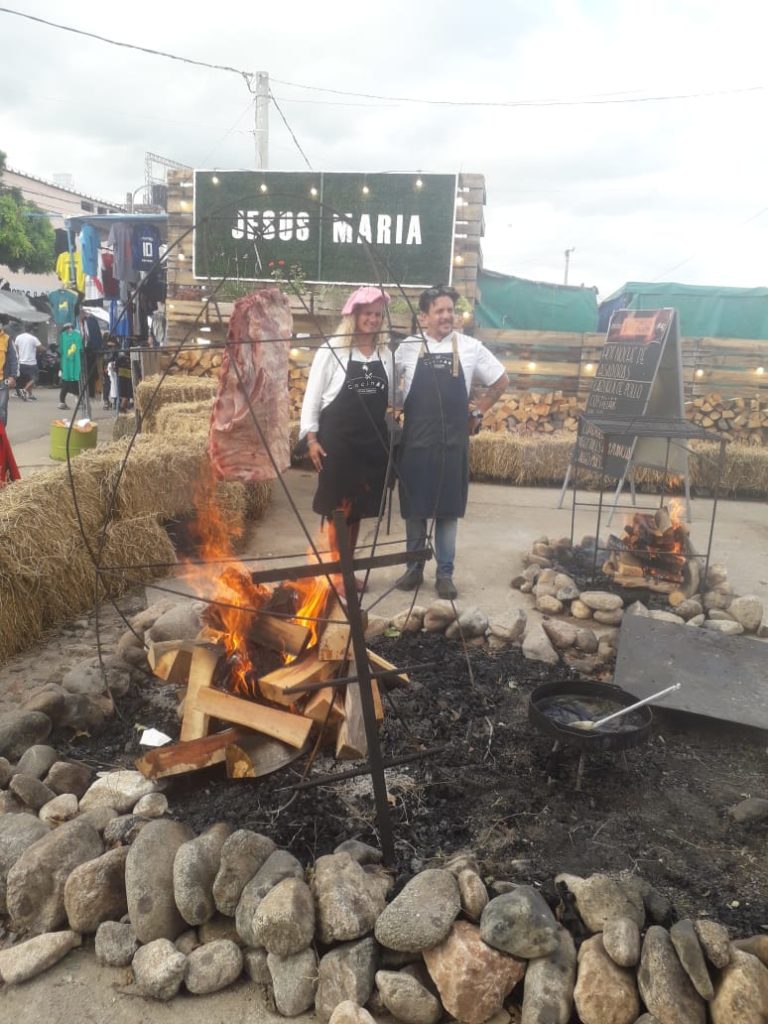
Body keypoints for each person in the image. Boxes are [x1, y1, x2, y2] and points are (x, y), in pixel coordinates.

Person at [394, 285, 509, 599]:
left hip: (452, 444)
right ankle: (413, 568)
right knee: (415, 510)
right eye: (440, 311)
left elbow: (501, 381)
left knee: (447, 511)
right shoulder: (407, 348)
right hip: (415, 443)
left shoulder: (470, 347)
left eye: (450, 310)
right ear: (424, 317)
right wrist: (391, 408)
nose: (447, 316)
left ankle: (445, 574)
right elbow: (390, 387)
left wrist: (479, 411)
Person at [299, 285, 393, 592]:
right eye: (368, 313)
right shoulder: (332, 351)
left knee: (358, 509)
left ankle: (346, 569)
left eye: (378, 314)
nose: (373, 319)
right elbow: (312, 398)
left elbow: (392, 398)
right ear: (354, 315)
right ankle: (337, 574)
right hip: (338, 443)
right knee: (337, 511)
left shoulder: (385, 354)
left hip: (370, 445)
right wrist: (311, 439)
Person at [58, 323, 83, 411]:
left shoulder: (63, 337)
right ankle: (76, 402)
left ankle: (63, 402)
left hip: (66, 363)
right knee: (70, 383)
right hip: (71, 364)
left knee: (68, 384)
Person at [13, 325, 43, 400]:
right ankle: (24, 390)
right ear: (31, 330)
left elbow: (16, 348)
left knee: (27, 379)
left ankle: (30, 395)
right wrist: (40, 350)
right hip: (31, 363)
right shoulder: (33, 338)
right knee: (35, 378)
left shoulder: (18, 337)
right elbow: (40, 348)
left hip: (21, 362)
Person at [0, 321, 18, 427]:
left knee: (1, 409)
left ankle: (1, 433)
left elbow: (13, 359)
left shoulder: (7, 339)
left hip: (3, 380)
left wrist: (13, 376)